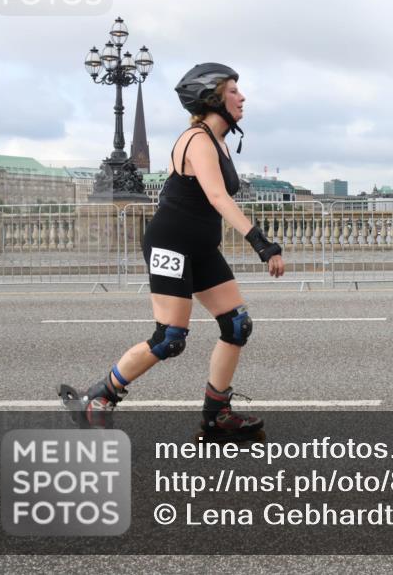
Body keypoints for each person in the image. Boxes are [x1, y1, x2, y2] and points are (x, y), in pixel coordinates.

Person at [61, 63, 284, 437]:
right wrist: (260, 241)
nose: (242, 97)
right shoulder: (197, 139)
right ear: (211, 98)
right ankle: (98, 398)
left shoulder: (221, 141)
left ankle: (217, 415)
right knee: (170, 337)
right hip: (171, 243)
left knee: (236, 324)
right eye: (233, 91)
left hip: (201, 246)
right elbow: (215, 196)